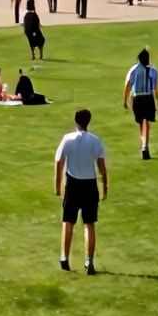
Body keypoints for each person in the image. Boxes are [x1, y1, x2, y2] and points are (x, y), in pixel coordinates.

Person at [54, 108, 108, 274]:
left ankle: (64, 257)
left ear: (76, 121)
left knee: (68, 221)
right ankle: (89, 260)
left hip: (73, 183)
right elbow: (101, 167)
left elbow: (59, 161)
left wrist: (57, 186)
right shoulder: (95, 140)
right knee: (89, 224)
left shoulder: (67, 139)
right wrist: (105, 186)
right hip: (90, 184)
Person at [123, 48, 158, 160]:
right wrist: (157, 100)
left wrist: (125, 100)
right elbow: (155, 88)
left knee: (141, 123)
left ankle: (143, 144)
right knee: (147, 123)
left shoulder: (134, 69)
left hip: (137, 98)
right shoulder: (153, 70)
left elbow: (128, 85)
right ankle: (145, 146)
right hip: (148, 97)